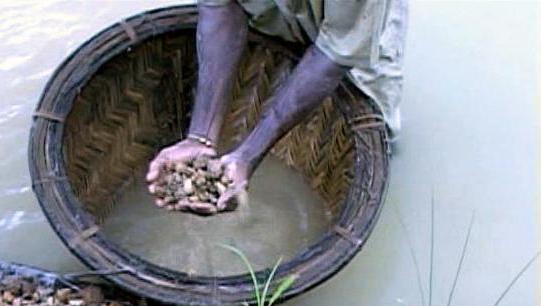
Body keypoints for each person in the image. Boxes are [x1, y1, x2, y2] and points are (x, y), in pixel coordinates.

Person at [146, 0, 407, 214]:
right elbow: (221, 6)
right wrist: (200, 136)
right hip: (274, 7)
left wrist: (247, 155)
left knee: (375, 123)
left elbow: (337, 51)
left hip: (359, 22)